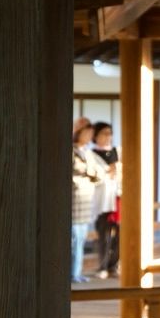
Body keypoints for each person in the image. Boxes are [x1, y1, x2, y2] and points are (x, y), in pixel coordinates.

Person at [70, 122, 105, 285]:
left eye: (90, 134)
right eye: (86, 133)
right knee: (73, 240)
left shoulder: (88, 153)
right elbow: (76, 168)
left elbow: (99, 172)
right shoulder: (71, 150)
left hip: (86, 200)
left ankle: (77, 272)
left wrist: (88, 170)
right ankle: (71, 273)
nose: (89, 137)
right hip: (74, 202)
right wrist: (89, 170)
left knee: (81, 239)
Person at [91, 122, 121, 278]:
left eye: (109, 133)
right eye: (103, 133)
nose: (107, 136)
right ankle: (102, 266)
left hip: (117, 197)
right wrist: (108, 172)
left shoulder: (117, 151)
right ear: (95, 136)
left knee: (120, 233)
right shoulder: (91, 154)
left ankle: (113, 265)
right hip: (101, 199)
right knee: (104, 233)